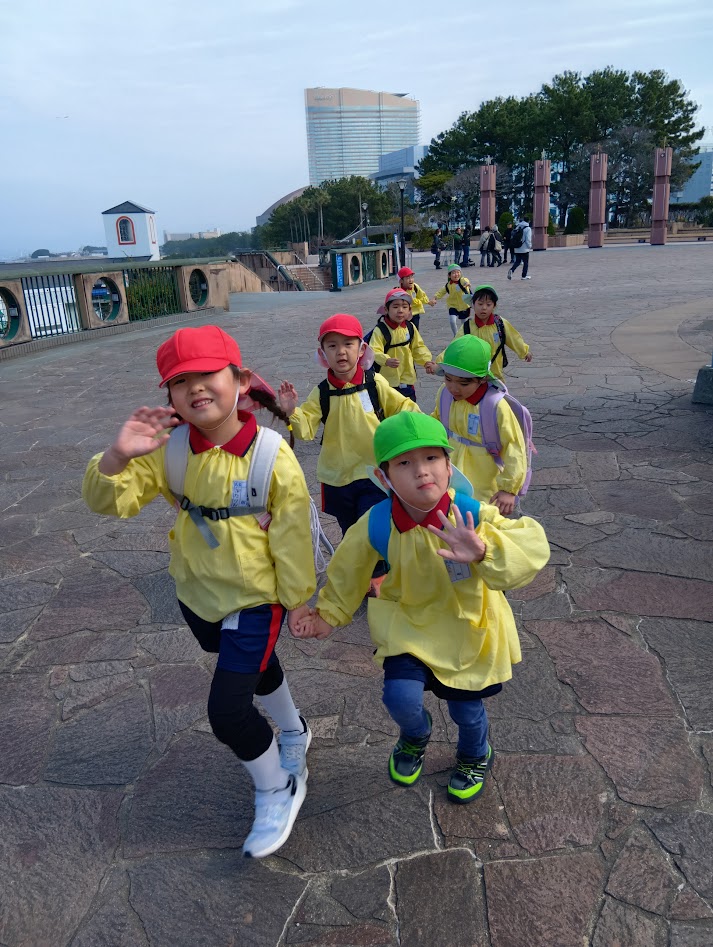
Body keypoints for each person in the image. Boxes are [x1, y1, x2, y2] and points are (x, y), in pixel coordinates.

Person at [82, 325, 315, 859]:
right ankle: (294, 730)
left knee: (227, 712)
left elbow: (293, 536)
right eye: (180, 381)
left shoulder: (270, 455)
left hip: (255, 597)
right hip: (196, 592)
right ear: (169, 394)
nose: (195, 388)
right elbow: (107, 501)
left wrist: (298, 599)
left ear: (240, 380)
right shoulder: (170, 449)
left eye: (208, 374)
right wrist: (116, 457)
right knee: (255, 668)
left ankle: (277, 786)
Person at [293, 413, 549, 804]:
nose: (421, 471)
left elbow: (531, 548)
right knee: (400, 697)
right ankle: (415, 734)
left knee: (466, 712)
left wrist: (483, 550)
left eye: (431, 458)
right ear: (383, 477)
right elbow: (347, 569)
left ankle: (475, 753)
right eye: (404, 463)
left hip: (467, 627)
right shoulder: (378, 522)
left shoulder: (471, 515)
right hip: (408, 621)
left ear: (449, 465)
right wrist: (328, 614)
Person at [277, 313, 419, 594]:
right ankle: (362, 572)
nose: (341, 351)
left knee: (373, 525)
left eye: (348, 344)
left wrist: (415, 432)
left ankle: (379, 575)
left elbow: (404, 407)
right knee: (350, 529)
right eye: (332, 346)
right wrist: (291, 411)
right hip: (338, 477)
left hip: (374, 473)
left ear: (361, 349)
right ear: (322, 354)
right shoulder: (321, 393)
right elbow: (305, 429)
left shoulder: (375, 383)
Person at [432, 335, 527, 514]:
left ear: (482, 379)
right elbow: (436, 422)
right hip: (450, 474)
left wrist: (509, 488)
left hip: (484, 483)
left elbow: (514, 447)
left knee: (481, 523)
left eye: (464, 383)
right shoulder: (445, 395)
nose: (454, 388)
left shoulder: (495, 406)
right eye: (448, 378)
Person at [436, 285, 533, 381]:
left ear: (494, 306)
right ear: (473, 305)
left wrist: (524, 351)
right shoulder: (467, 327)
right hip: (474, 377)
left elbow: (514, 338)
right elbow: (455, 346)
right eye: (480, 304)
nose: (484, 308)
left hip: (495, 375)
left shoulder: (500, 324)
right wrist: (439, 362)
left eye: (488, 304)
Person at [369, 288, 436, 401]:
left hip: (407, 378)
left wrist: (426, 361)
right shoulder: (380, 330)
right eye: (395, 307)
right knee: (389, 409)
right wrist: (386, 360)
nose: (400, 310)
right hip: (387, 381)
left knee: (409, 407)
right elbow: (374, 350)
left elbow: (418, 347)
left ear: (409, 310)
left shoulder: (410, 327)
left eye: (404, 307)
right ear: (386, 309)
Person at [429, 264, 472, 336]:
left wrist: (467, 283)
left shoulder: (462, 280)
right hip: (452, 305)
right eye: (454, 273)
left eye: (458, 272)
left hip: (464, 305)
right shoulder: (448, 285)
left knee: (464, 323)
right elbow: (441, 292)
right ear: (449, 275)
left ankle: (465, 336)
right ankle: (456, 335)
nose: (456, 274)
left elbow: (465, 280)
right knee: (452, 321)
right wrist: (434, 298)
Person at [397, 266, 430, 331]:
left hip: (415, 313)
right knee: (405, 330)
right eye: (408, 278)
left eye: (411, 277)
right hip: (405, 314)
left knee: (415, 330)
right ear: (401, 280)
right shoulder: (398, 291)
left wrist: (428, 301)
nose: (411, 280)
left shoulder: (415, 287)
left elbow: (422, 295)